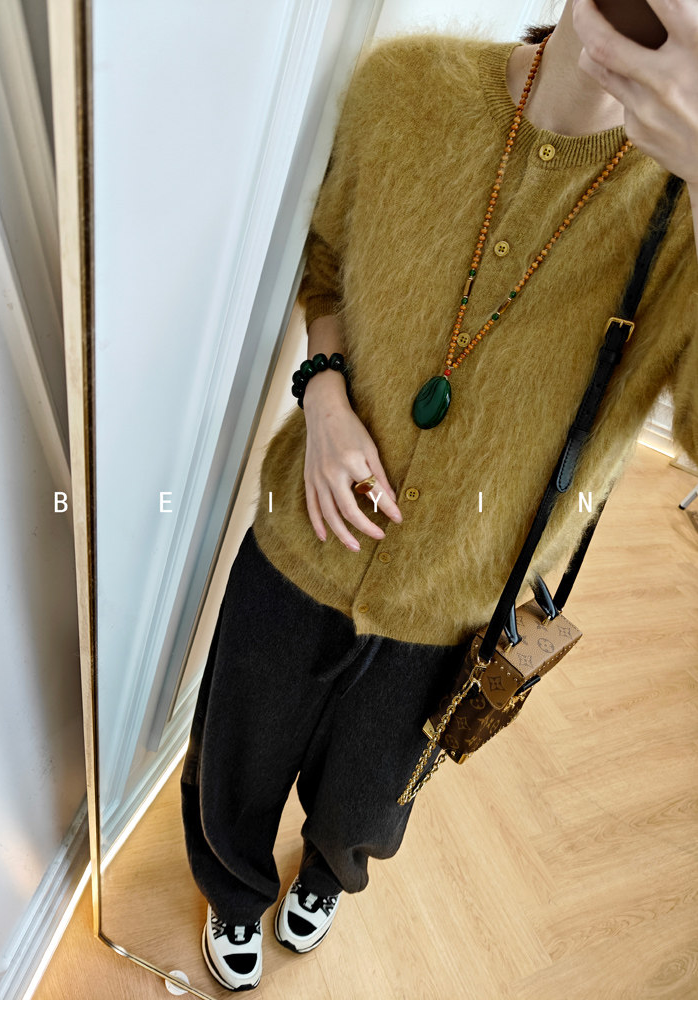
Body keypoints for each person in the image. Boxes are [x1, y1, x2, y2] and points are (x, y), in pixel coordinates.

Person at [181, 0, 698, 993]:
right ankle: (232, 890)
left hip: (461, 597)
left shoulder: (680, 220)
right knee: (237, 748)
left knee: (370, 803)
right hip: (304, 529)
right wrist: (322, 394)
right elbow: (326, 259)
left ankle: (325, 878)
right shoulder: (403, 86)